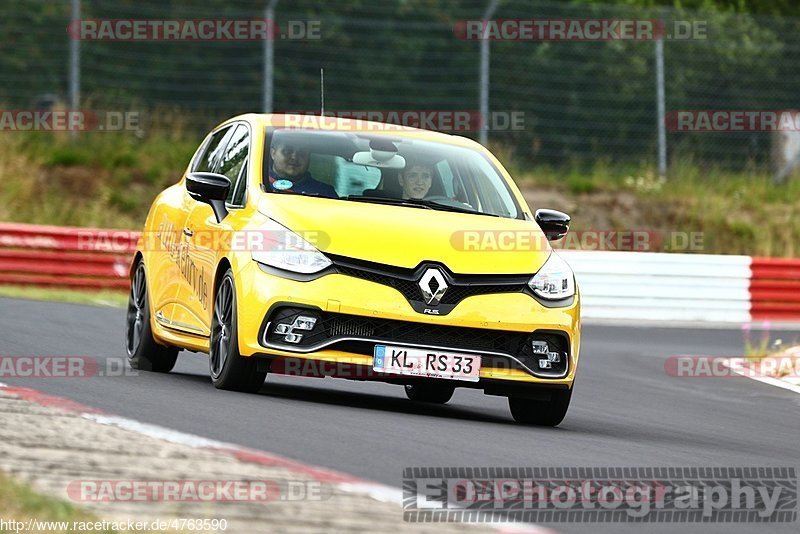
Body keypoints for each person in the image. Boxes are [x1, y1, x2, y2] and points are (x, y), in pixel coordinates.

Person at [267, 140, 337, 198]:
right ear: (273, 153)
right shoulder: (260, 184)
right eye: (287, 151)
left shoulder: (325, 192)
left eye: (302, 153)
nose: (294, 157)